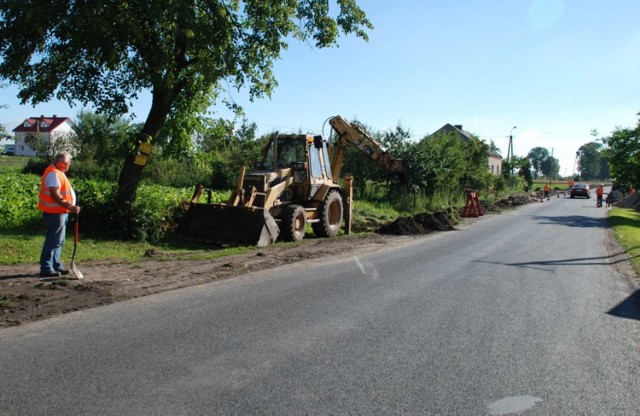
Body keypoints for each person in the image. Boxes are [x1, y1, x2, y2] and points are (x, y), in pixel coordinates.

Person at [38, 151, 81, 278]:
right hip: (55, 213)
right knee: (53, 240)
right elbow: (55, 194)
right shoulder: (53, 173)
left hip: (60, 212)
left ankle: (56, 265)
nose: (70, 165)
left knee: (59, 241)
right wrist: (69, 206)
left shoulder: (58, 172)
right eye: (69, 163)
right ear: (62, 163)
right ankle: (46, 267)